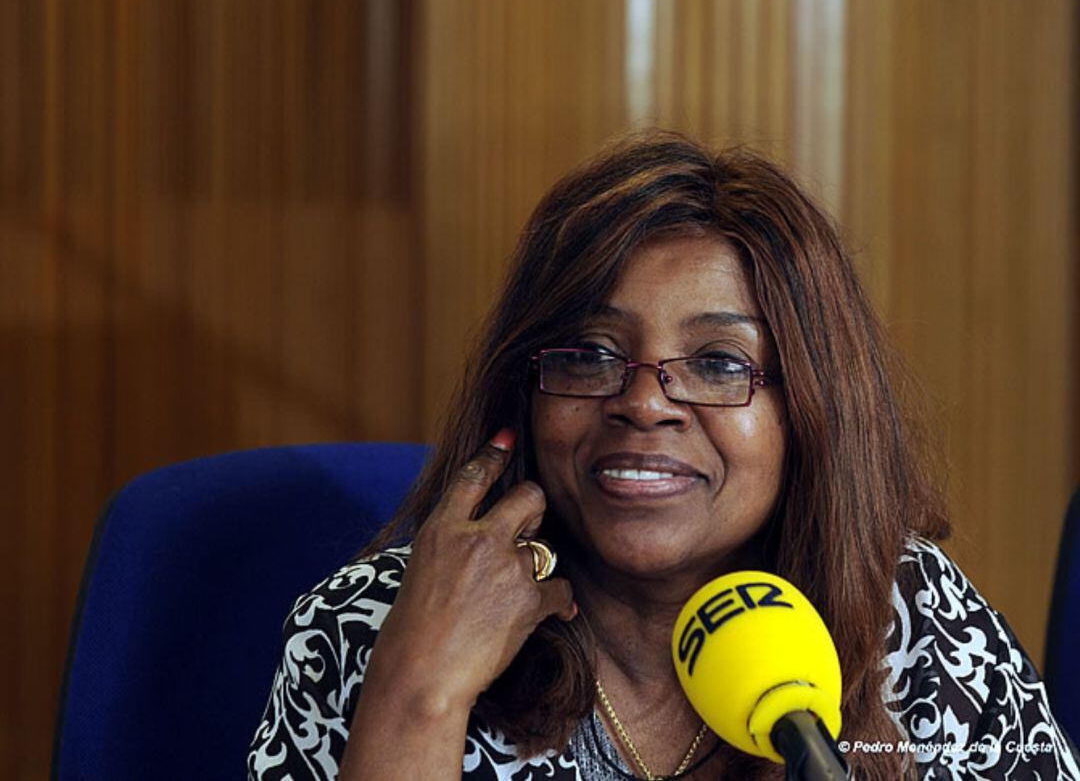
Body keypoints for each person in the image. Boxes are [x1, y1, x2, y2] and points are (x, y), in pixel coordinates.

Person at [247, 131, 1079, 780]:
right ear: (526, 397)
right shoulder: (373, 627)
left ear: (810, 411)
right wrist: (419, 693)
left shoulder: (912, 620)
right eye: (587, 353)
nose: (643, 401)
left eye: (719, 363)